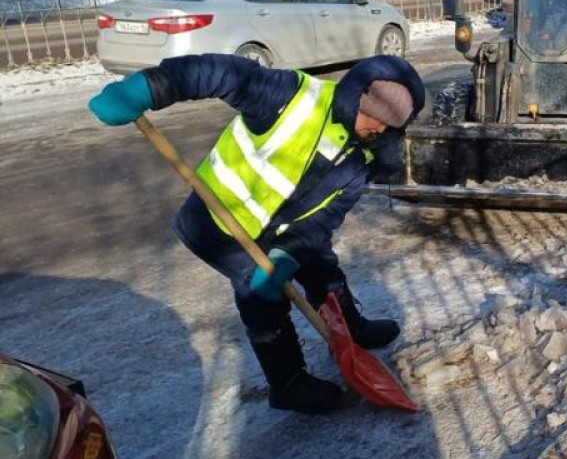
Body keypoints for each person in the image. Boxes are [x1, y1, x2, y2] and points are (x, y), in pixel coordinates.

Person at [88, 54, 425, 414]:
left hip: (282, 229)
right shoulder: (291, 98)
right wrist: (149, 88)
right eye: (374, 117)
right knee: (261, 294)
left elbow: (326, 217)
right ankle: (288, 383)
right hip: (219, 224)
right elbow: (220, 73)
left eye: (389, 125)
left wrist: (290, 253)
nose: (378, 129)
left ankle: (349, 331)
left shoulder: (365, 155)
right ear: (355, 96)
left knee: (321, 264)